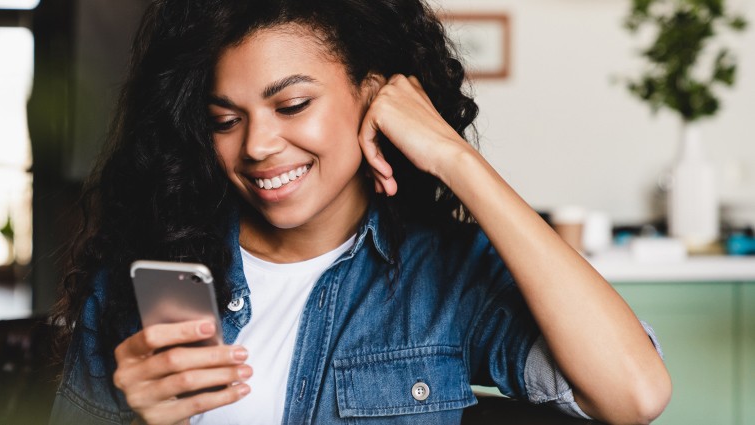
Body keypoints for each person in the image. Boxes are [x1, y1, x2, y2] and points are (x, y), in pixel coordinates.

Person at [50, 0, 672, 424]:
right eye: (225, 120)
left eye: (291, 105)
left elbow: (635, 393)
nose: (257, 145)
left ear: (373, 94)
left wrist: (457, 161)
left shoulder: (443, 278)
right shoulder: (145, 276)